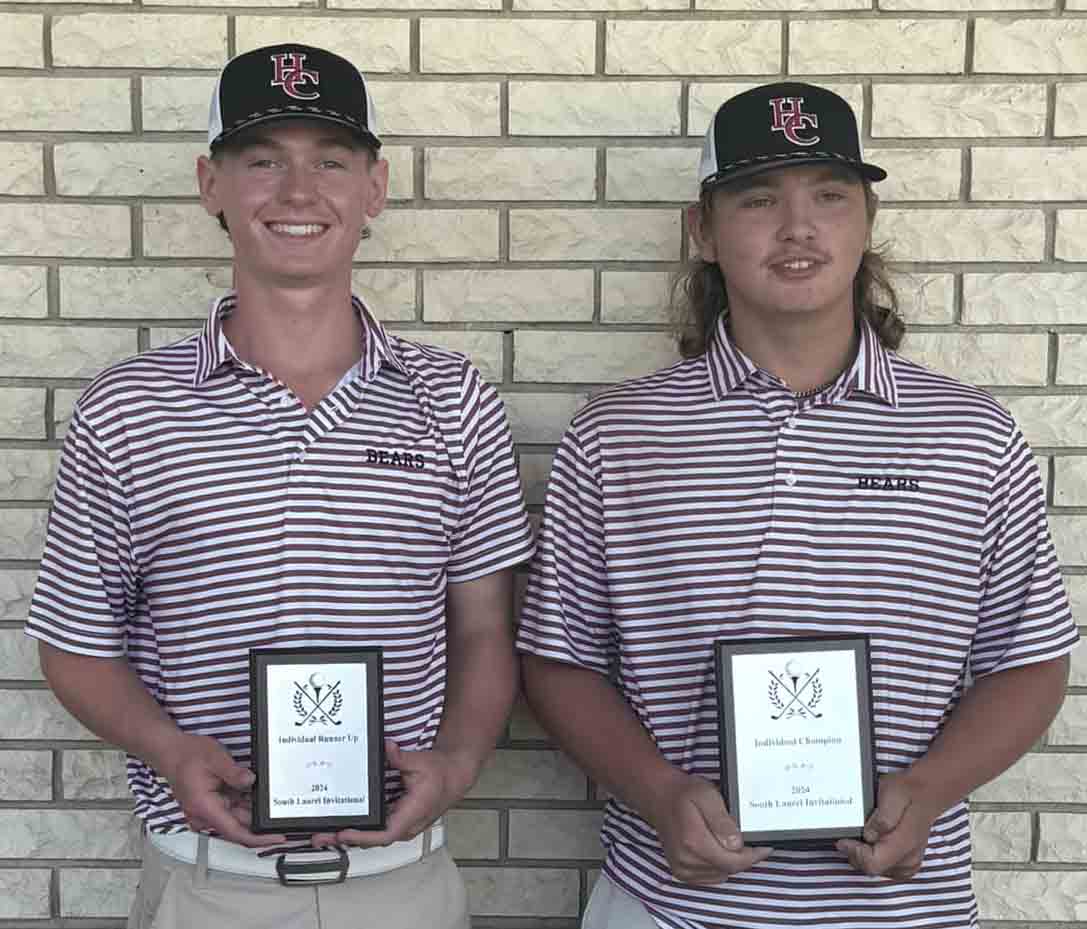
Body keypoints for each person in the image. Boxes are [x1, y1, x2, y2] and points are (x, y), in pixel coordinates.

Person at [517, 82, 1076, 929]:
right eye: (756, 199)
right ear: (702, 230)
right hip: (670, 905)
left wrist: (926, 791)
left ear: (865, 218)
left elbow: (1027, 659)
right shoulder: (619, 433)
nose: (796, 227)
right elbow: (560, 659)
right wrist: (658, 790)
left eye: (828, 195)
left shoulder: (968, 433)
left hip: (900, 908)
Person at [26, 43, 534, 929]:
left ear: (372, 188)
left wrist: (455, 762)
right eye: (261, 160)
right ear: (210, 184)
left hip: (401, 886)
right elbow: (72, 641)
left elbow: (485, 626)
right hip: (206, 886)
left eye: (329, 161)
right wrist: (167, 747)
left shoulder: (453, 398)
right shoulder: (127, 409)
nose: (298, 191)